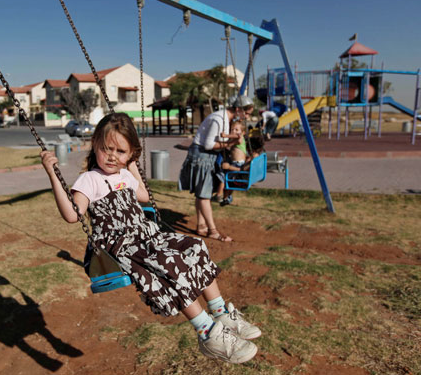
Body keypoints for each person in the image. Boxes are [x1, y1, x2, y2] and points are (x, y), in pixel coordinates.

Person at [41, 112, 261, 364]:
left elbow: (143, 195)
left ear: (130, 154)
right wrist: (53, 174)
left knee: (195, 245)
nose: (112, 156)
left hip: (145, 236)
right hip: (120, 245)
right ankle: (207, 333)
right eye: (106, 149)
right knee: (171, 264)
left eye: (121, 152)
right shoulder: (90, 179)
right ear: (95, 146)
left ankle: (220, 313)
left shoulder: (124, 175)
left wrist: (131, 164)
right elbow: (72, 214)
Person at [178, 95, 254, 241]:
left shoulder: (226, 119)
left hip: (207, 156)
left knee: (201, 193)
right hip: (202, 156)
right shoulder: (219, 119)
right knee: (204, 195)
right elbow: (208, 145)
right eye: (247, 113)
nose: (247, 117)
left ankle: (201, 225)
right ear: (238, 109)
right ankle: (213, 231)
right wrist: (232, 144)